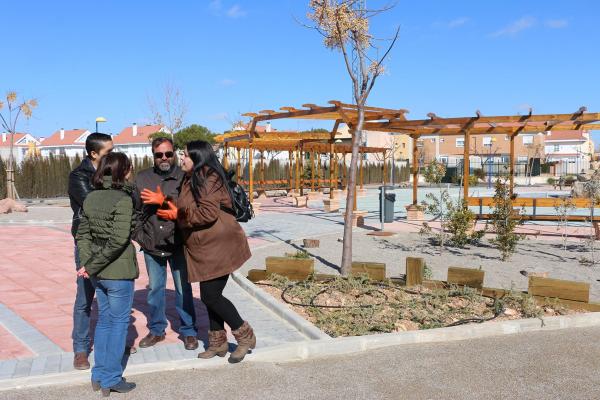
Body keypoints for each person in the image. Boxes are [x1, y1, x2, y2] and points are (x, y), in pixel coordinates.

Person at [143, 140, 254, 363]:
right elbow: (184, 203)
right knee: (209, 297)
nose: (180, 158)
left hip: (219, 245)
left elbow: (206, 213)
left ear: (197, 157)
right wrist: (164, 201)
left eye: (184, 155)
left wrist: (175, 214)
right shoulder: (192, 177)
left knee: (211, 296)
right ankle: (217, 343)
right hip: (205, 248)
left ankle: (244, 335)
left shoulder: (207, 176)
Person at [76, 152, 138, 395]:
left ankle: (98, 375)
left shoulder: (91, 198)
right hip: (117, 272)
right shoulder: (123, 199)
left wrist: (90, 263)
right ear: (122, 170)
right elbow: (119, 240)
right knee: (118, 323)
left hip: (98, 273)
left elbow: (82, 234)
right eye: (129, 167)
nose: (131, 170)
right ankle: (111, 377)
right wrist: (92, 265)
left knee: (104, 321)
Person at [133, 137, 198, 350]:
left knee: (183, 289)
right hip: (152, 244)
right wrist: (140, 236)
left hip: (178, 242)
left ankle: (188, 330)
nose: (164, 158)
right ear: (152, 154)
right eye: (159, 154)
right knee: (155, 289)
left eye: (168, 154)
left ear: (174, 154)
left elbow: (189, 208)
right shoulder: (142, 178)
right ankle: (157, 329)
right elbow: (134, 211)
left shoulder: (184, 177)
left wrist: (164, 200)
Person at [68, 132, 113, 370]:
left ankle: (113, 341)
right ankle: (81, 348)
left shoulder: (111, 172)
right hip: (87, 243)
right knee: (85, 297)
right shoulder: (78, 176)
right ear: (93, 154)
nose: (113, 156)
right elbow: (95, 206)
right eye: (108, 152)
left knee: (111, 294)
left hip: (110, 242)